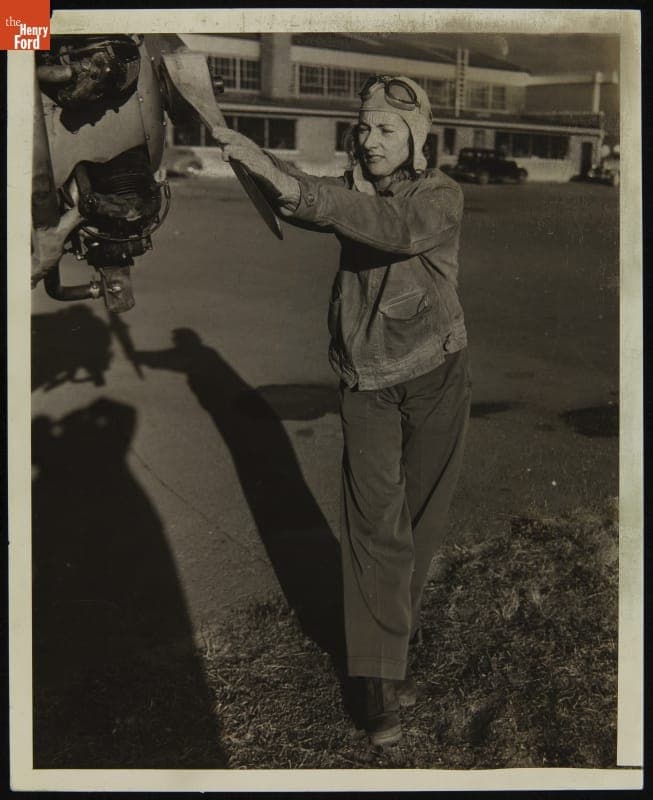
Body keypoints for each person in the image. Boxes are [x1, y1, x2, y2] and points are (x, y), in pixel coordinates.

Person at [212, 75, 471, 747]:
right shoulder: (353, 193)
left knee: (417, 521)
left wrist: (302, 188)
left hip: (438, 371)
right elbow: (310, 202)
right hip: (366, 381)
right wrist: (257, 161)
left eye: (386, 129)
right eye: (364, 128)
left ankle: (392, 640)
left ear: (416, 137)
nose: (370, 139)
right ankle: (378, 679)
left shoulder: (438, 195)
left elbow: (391, 229)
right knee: (373, 528)